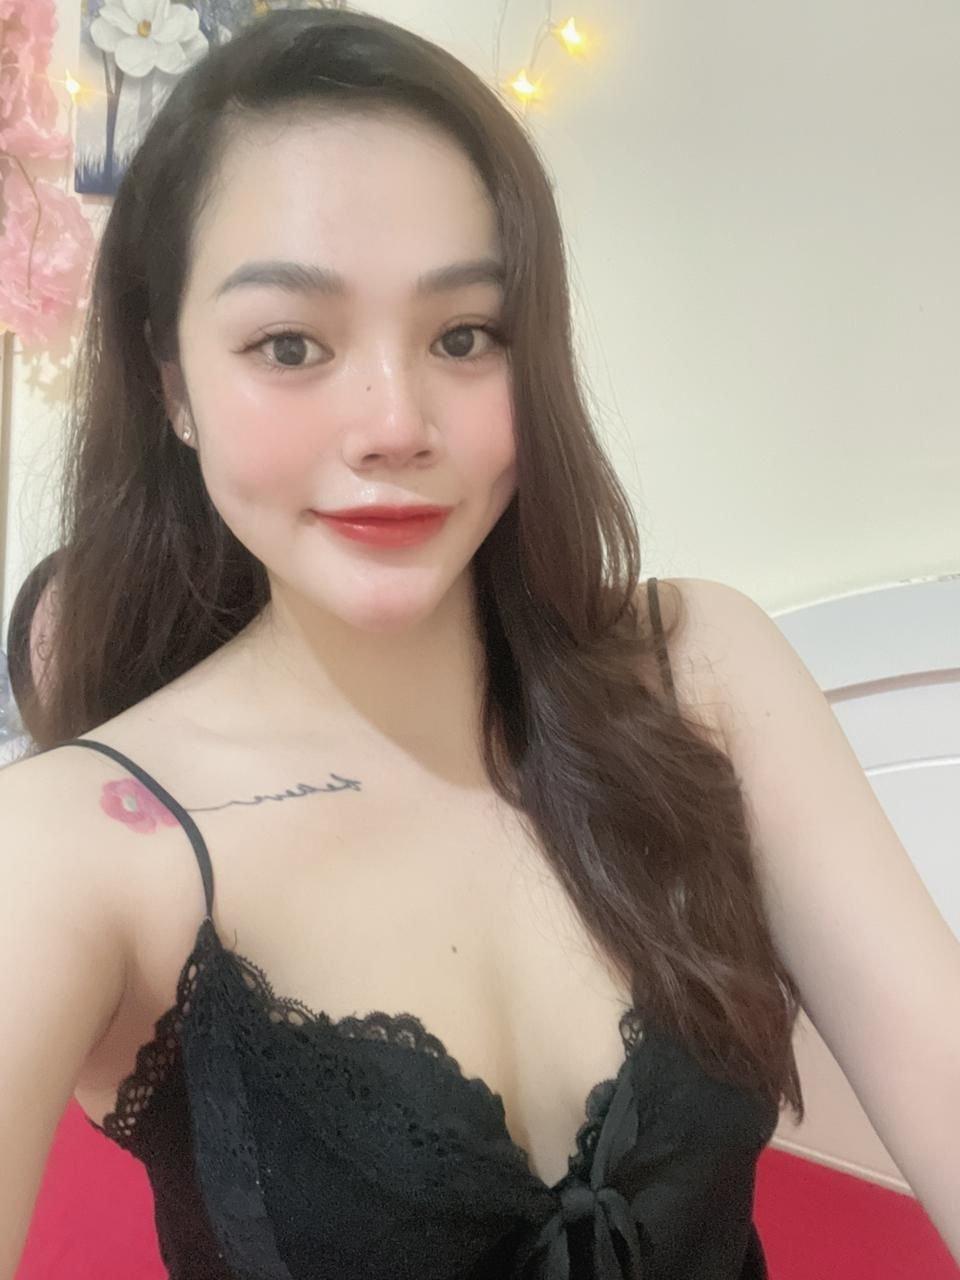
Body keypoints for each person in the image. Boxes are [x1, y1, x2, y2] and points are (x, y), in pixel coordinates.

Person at [4, 8, 958, 1279]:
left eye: (464, 336)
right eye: (290, 344)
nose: (396, 422)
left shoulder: (703, 672)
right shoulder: (77, 846)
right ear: (172, 381)